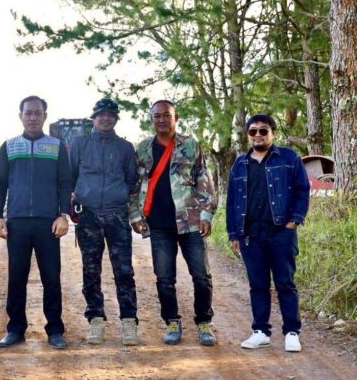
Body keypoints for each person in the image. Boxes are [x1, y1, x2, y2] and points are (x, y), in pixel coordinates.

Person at [130, 100, 218, 346]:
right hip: (158, 224)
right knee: (165, 278)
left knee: (201, 276)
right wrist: (135, 216)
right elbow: (135, 185)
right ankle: (172, 321)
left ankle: (204, 322)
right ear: (152, 119)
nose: (161, 120)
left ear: (175, 118)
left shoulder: (190, 145)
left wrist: (206, 215)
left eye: (166, 115)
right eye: (157, 116)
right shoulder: (143, 149)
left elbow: (204, 179)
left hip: (190, 222)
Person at [0, 95, 73, 350]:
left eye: (38, 113)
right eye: (28, 113)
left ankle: (55, 330)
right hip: (17, 222)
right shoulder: (9, 146)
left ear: (45, 116)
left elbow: (65, 183)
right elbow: (0, 183)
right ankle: (15, 329)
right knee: (17, 277)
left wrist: (63, 214)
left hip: (48, 223)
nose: (33, 117)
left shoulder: (56, 146)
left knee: (51, 277)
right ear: (21, 116)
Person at [226, 114, 310, 352]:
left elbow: (303, 190)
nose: (258, 135)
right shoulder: (240, 164)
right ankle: (260, 332)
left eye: (263, 130)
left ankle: (292, 332)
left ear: (273, 133)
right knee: (258, 285)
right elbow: (232, 201)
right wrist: (234, 234)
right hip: (250, 235)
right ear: (248, 135)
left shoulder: (289, 158)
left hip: (281, 232)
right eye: (253, 131)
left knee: (285, 283)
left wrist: (295, 220)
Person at [69, 98, 140, 345]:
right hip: (88, 216)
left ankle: (129, 322)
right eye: (101, 114)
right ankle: (96, 320)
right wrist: (73, 205)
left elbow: (132, 180)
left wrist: (120, 201)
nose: (106, 118)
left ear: (116, 119)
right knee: (91, 271)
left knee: (124, 271)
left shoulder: (125, 148)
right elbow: (69, 177)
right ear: (94, 118)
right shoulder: (79, 144)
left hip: (117, 216)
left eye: (111, 114)